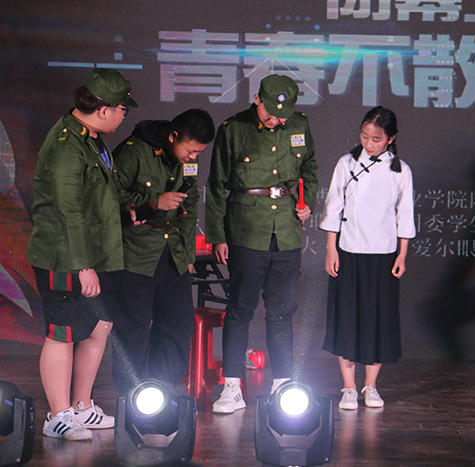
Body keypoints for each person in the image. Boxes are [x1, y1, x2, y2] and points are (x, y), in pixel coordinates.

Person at [27, 68, 137, 440]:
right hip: (63, 256)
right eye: (123, 109)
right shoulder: (66, 144)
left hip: (96, 251)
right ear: (104, 110)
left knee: (99, 324)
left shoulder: (91, 139)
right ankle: (57, 416)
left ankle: (81, 406)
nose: (124, 116)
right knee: (62, 332)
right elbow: (67, 210)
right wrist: (82, 265)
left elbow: (101, 192)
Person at [205, 74, 318, 413]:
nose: (277, 120)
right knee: (240, 310)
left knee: (282, 313)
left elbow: (309, 167)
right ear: (257, 99)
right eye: (271, 113)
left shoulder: (299, 125)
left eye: (283, 115)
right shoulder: (233, 129)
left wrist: (308, 202)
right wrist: (218, 236)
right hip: (246, 229)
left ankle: (282, 386)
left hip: (286, 230)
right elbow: (216, 186)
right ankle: (232, 388)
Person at [110, 109, 215, 394]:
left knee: (177, 325)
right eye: (190, 151)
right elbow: (108, 195)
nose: (192, 158)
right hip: (135, 253)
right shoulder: (134, 151)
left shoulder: (188, 162)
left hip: (173, 254)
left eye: (198, 153)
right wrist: (154, 201)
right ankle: (131, 395)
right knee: (133, 329)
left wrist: (188, 255)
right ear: (172, 136)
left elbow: (190, 205)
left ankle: (163, 392)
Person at [319, 106, 415, 410]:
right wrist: (331, 249)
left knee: (378, 321)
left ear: (390, 139)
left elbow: (405, 215)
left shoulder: (400, 171)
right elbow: (333, 207)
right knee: (346, 319)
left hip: (383, 255)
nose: (369, 143)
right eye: (364, 136)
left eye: (376, 139)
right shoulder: (346, 163)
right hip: (348, 252)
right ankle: (348, 387)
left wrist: (402, 254)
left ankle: (370, 386)